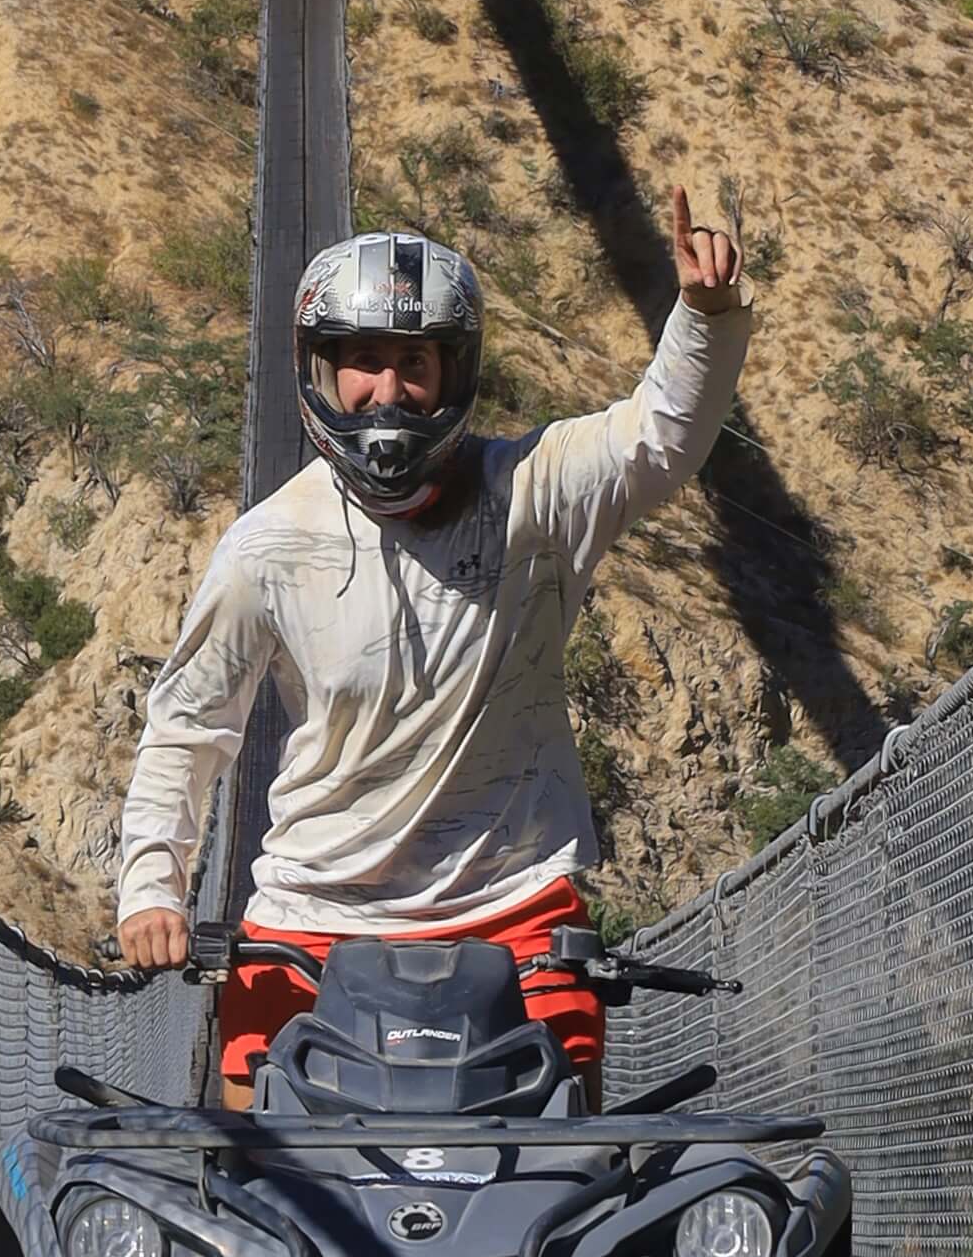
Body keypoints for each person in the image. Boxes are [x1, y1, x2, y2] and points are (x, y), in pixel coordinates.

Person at [118, 186, 752, 1108]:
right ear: (320, 372)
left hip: (515, 916)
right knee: (260, 1184)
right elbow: (188, 724)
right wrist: (150, 890)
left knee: (554, 1174)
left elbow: (654, 441)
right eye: (362, 361)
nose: (386, 390)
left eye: (412, 361)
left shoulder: (530, 496)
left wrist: (705, 316)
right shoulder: (267, 547)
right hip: (310, 924)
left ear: (455, 372)